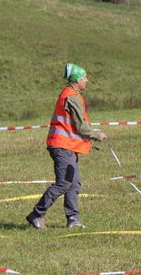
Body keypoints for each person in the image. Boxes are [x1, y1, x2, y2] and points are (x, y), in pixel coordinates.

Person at [26, 64, 107, 229]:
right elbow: (80, 127)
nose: (87, 80)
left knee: (74, 183)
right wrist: (97, 135)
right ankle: (36, 214)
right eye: (85, 77)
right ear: (78, 80)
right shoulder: (72, 96)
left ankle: (73, 220)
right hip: (62, 146)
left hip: (67, 146)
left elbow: (76, 125)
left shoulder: (71, 94)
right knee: (64, 183)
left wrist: (92, 131)